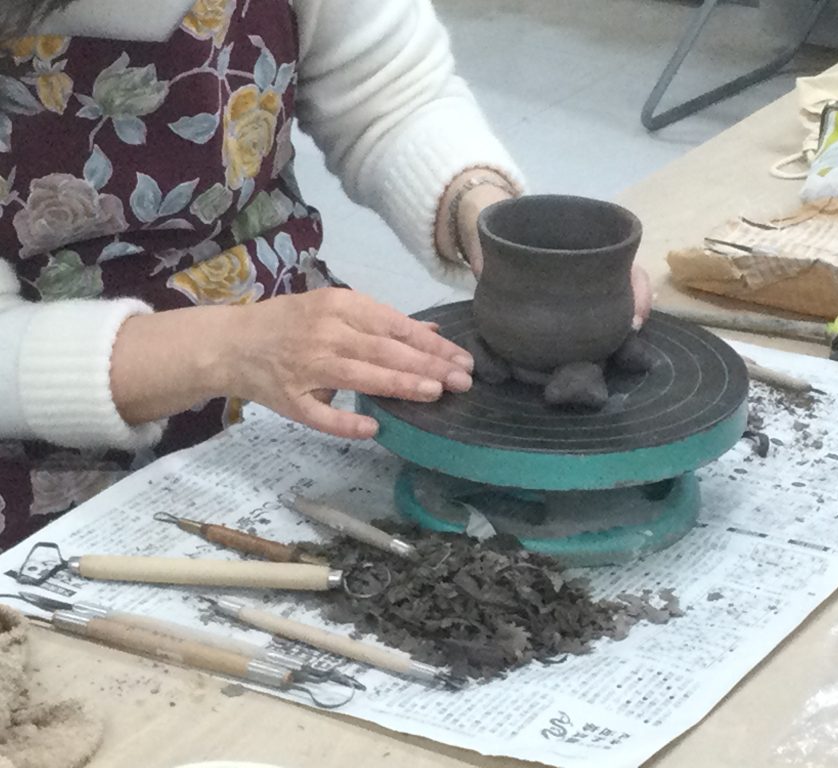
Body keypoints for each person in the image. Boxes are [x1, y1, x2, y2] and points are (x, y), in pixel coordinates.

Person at [0, 0, 651, 550]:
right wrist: (229, 348)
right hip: (50, 446)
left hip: (299, 367)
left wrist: (481, 215)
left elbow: (390, 97)